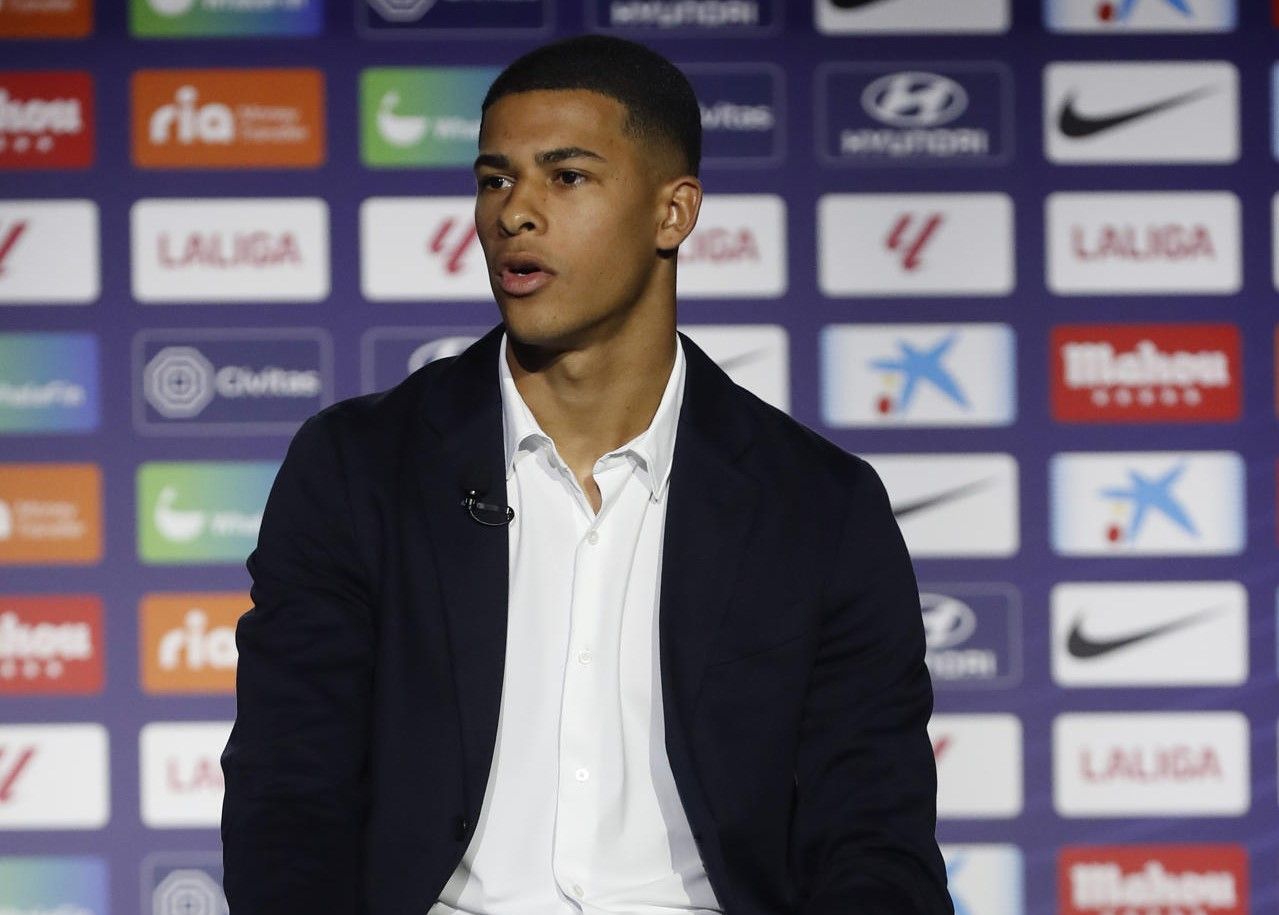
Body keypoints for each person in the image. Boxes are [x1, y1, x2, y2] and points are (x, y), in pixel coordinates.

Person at [221, 34, 951, 915]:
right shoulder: (358, 468)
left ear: (672, 213)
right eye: (495, 179)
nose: (514, 214)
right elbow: (289, 796)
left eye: (565, 177)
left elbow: (873, 835)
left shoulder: (818, 505)